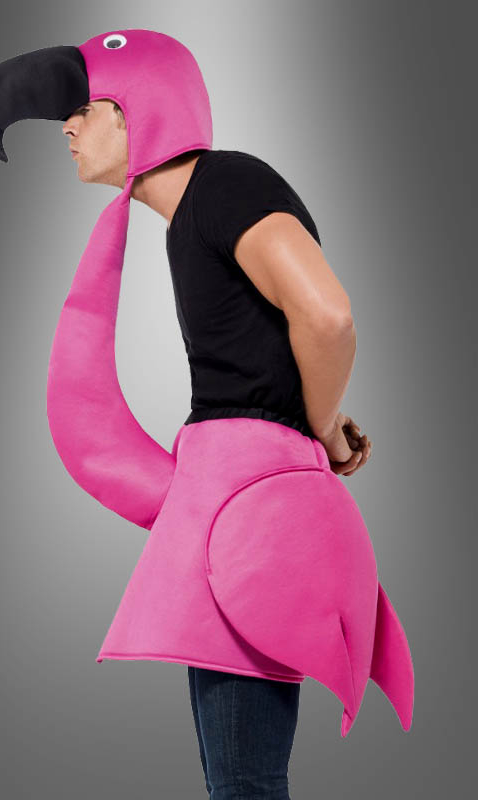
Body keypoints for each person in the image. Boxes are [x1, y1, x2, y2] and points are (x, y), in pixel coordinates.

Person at [62, 97, 373, 799]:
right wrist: (314, 418)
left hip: (252, 519)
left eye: (83, 109)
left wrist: (321, 427)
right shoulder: (195, 214)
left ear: (136, 108)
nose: (68, 128)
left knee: (243, 785)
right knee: (234, 781)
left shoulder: (225, 183)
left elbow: (327, 316)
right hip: (231, 505)